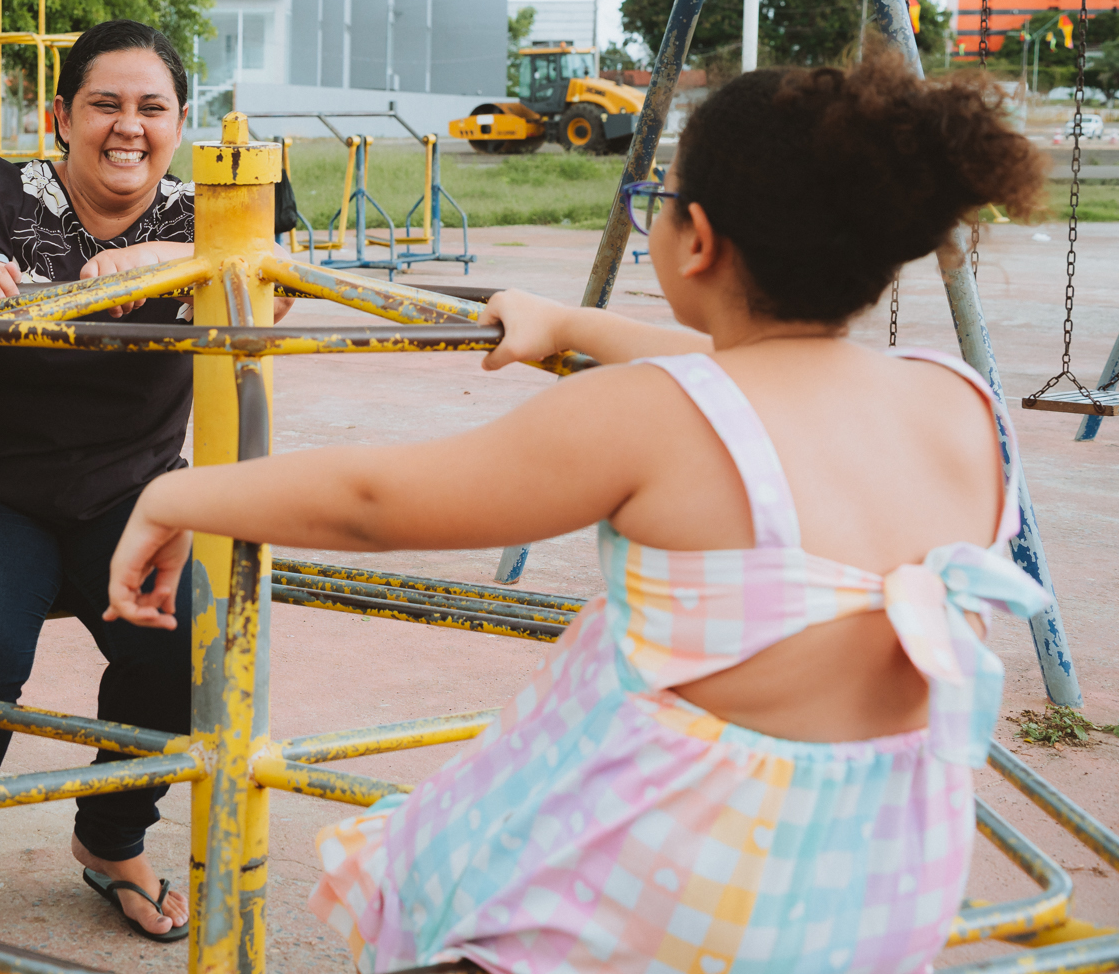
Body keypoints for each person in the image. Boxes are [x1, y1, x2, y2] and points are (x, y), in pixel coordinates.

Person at [105, 60, 1055, 974]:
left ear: (698, 239)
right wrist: (570, 325)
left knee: (467, 877)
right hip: (873, 899)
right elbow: (737, 366)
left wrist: (177, 491)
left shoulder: (657, 416)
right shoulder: (958, 402)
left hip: (672, 895)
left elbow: (371, 503)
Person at [0, 19, 287, 950]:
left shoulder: (207, 214)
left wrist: (168, 264)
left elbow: (277, 292)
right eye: (105, 104)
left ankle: (111, 838)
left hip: (129, 497)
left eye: (152, 107)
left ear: (182, 121)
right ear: (60, 115)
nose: (127, 125)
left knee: (189, 636)